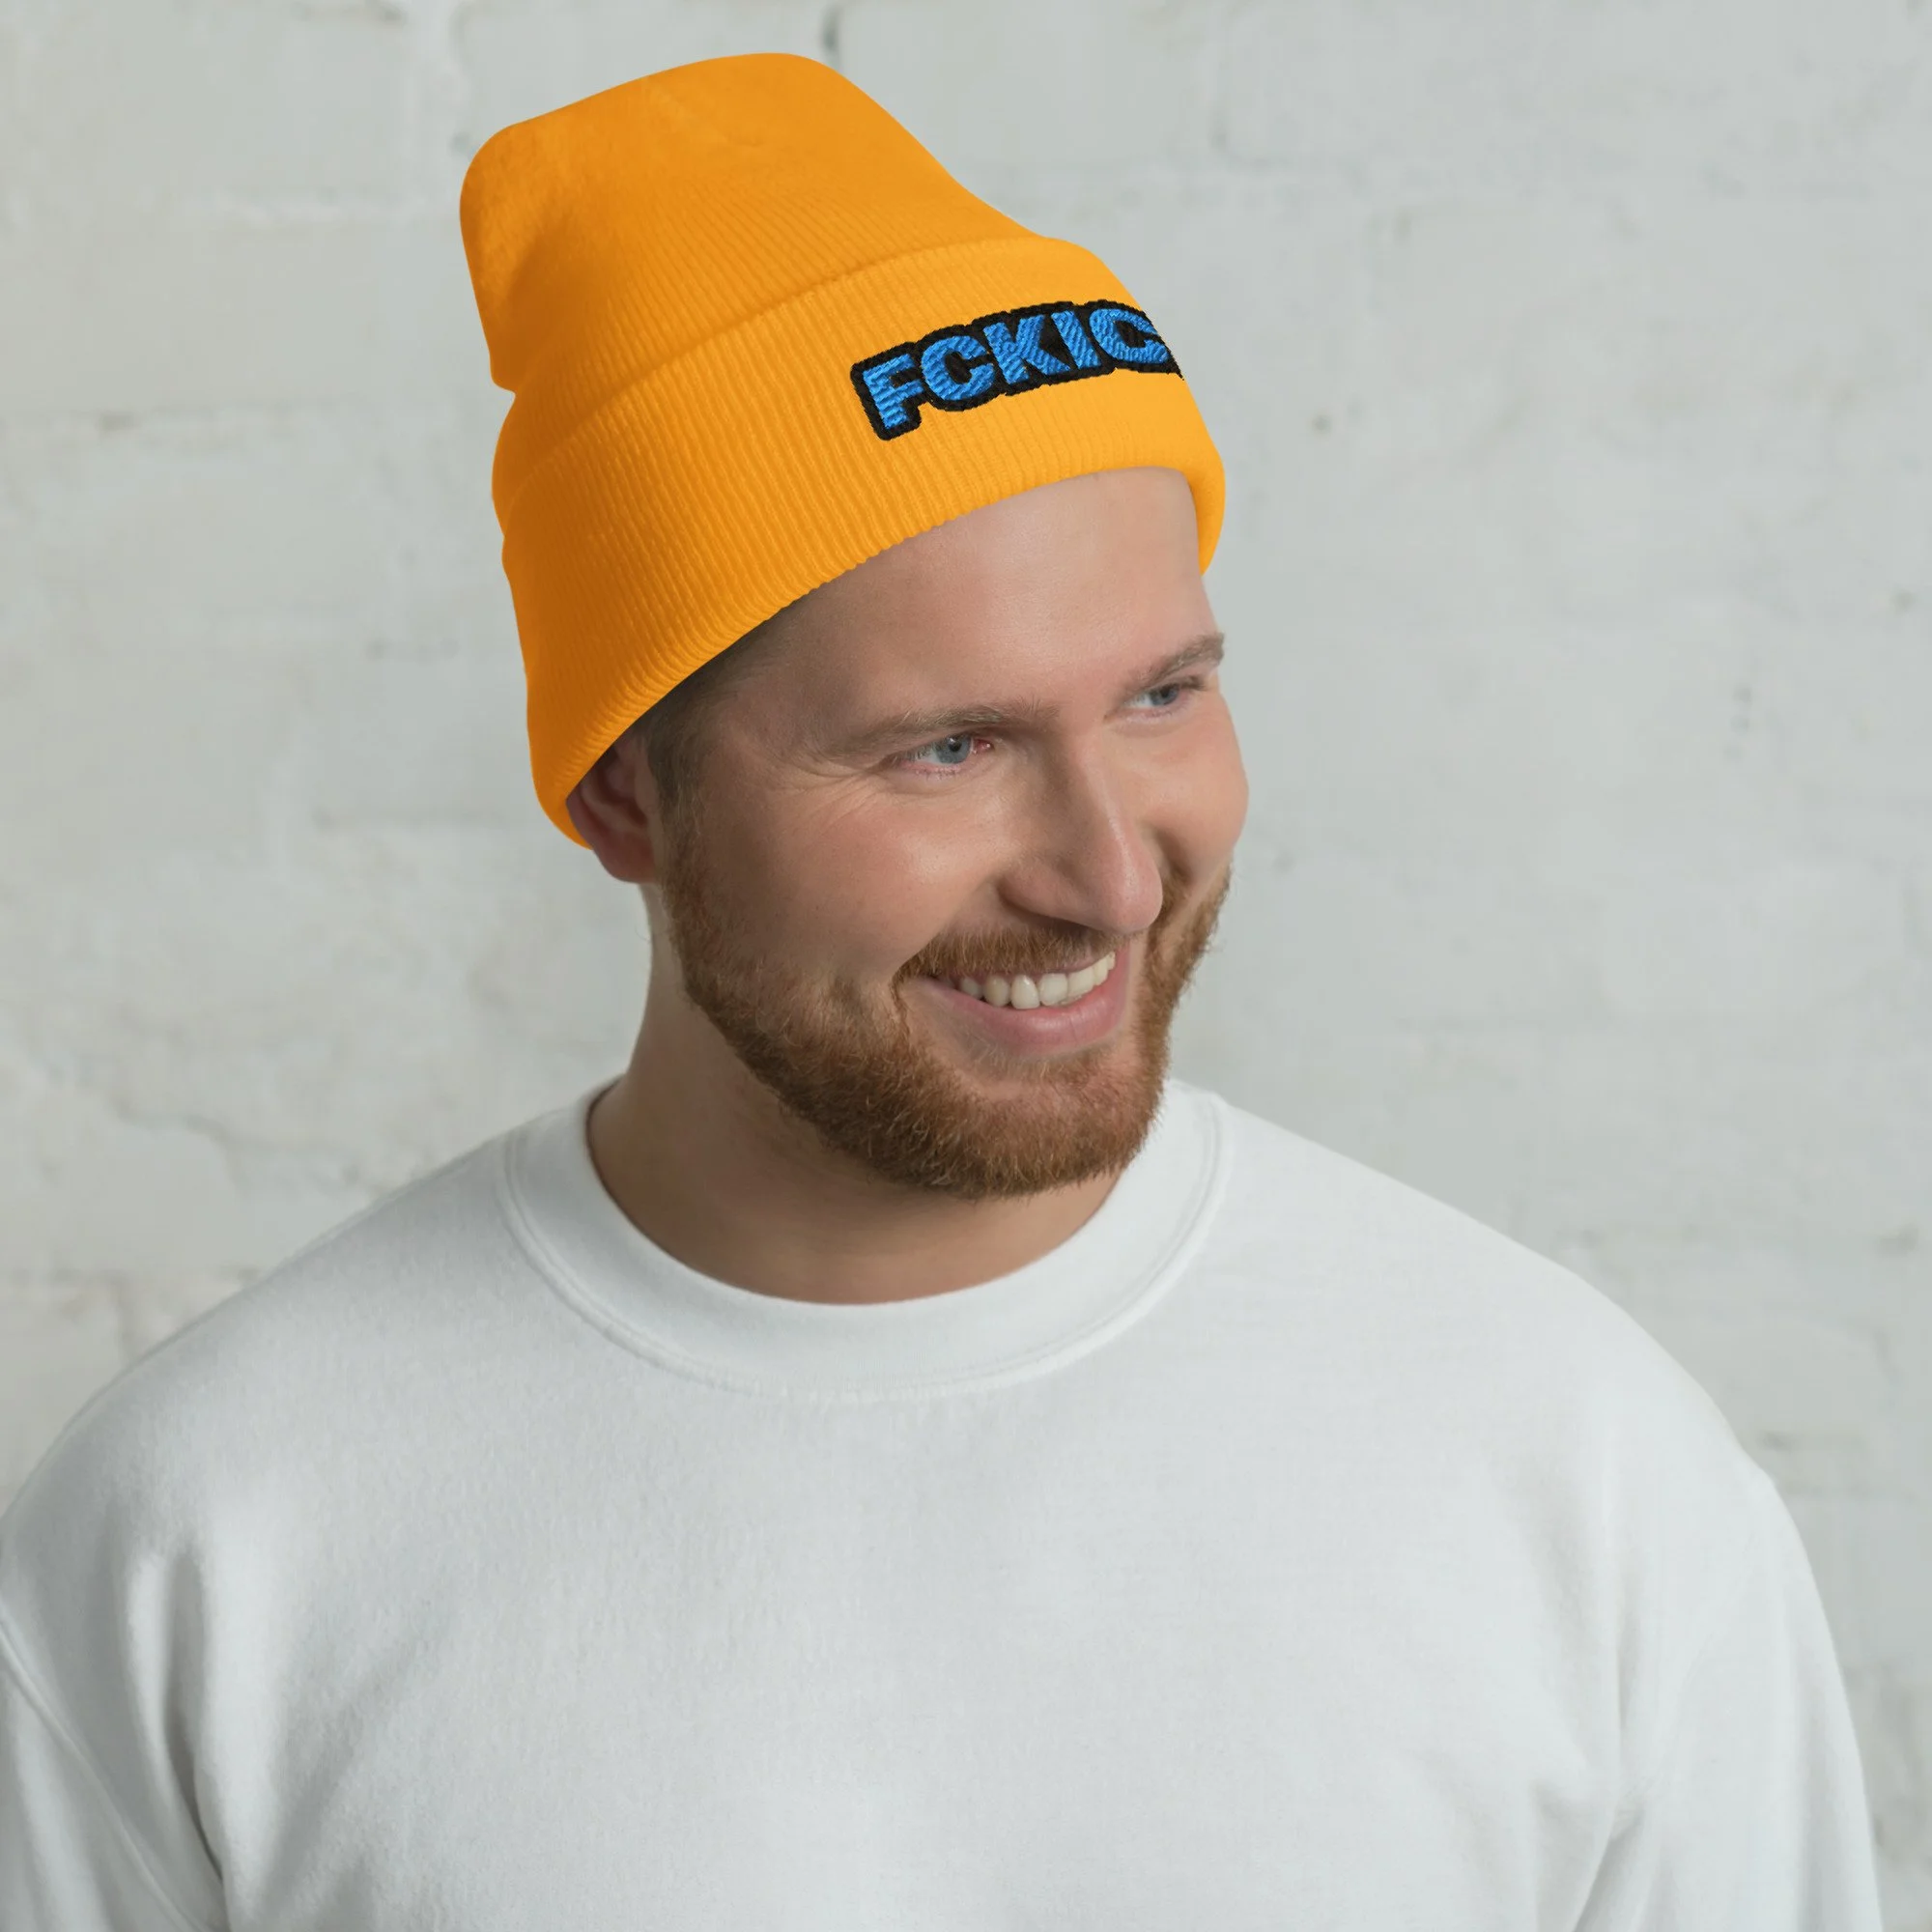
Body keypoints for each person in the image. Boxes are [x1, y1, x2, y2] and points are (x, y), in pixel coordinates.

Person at [0, 51, 1882, 1931]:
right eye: (947, 748)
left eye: (1163, 694)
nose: (1111, 876)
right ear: (623, 793)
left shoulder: (1580, 1470)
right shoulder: (207, 1541)